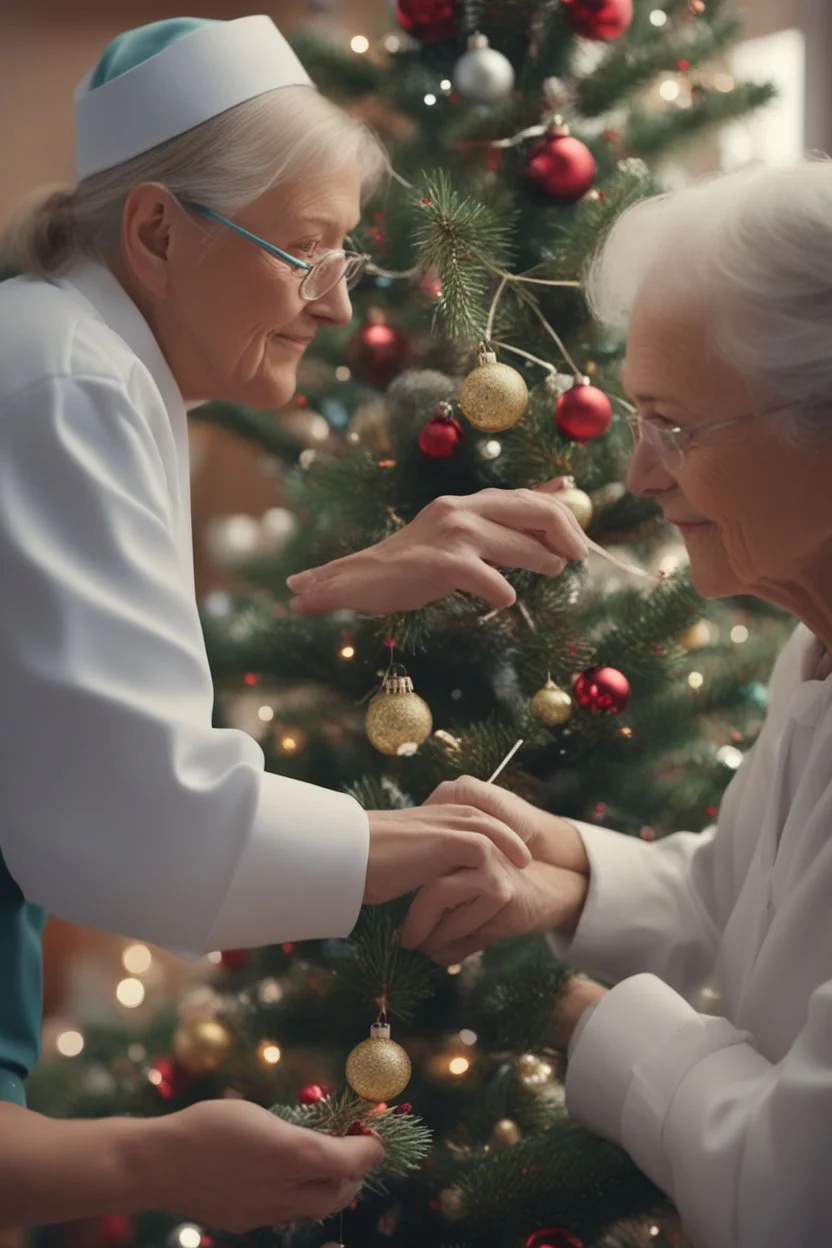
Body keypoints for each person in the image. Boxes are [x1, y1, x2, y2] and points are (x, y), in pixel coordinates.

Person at [0, 15, 589, 1232]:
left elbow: (50, 681)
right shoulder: (68, 379)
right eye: (305, 251)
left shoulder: (69, 350)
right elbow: (125, 810)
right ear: (159, 231)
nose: (331, 304)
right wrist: (406, 841)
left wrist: (324, 587)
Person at [403, 160, 832, 1248]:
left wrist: (593, 1024)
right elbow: (747, 902)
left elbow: (789, 1190)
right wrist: (568, 876)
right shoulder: (813, 645)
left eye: (675, 426)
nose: (638, 475)